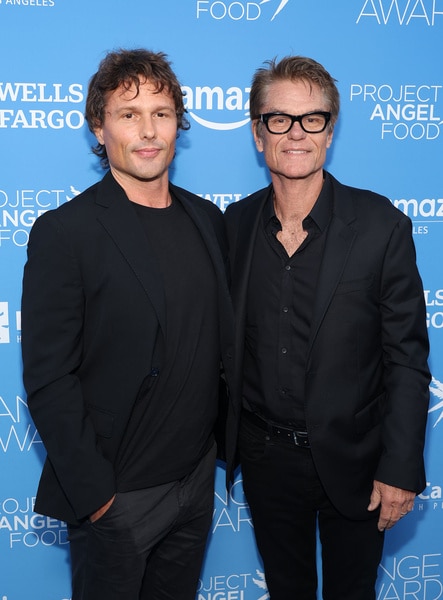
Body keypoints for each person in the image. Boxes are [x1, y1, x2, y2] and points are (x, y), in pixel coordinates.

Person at [21, 48, 234, 600]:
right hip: (117, 498)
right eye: (128, 113)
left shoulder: (207, 220)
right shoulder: (66, 232)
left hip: (194, 485)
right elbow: (49, 379)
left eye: (161, 113)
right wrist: (98, 498)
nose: (147, 131)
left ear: (178, 125)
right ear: (99, 126)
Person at [224, 56, 430, 600]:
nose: (296, 133)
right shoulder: (234, 226)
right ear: (256, 132)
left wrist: (401, 467)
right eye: (279, 119)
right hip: (266, 460)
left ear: (330, 132)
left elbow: (407, 359)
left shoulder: (381, 226)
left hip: (360, 461)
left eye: (312, 119)